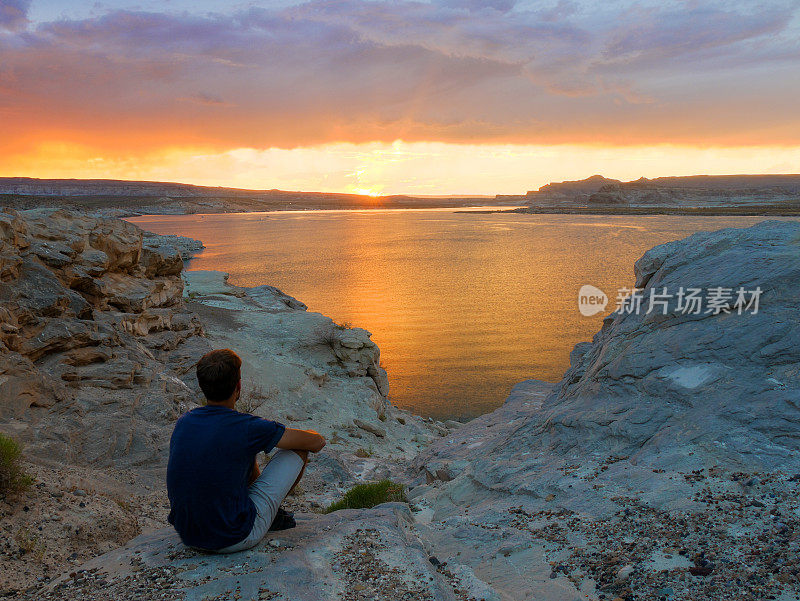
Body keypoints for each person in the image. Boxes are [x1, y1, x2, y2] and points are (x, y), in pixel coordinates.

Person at [166, 348, 325, 553]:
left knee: (242, 451)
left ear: (202, 386)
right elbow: (316, 443)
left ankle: (262, 514)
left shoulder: (184, 422)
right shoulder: (247, 426)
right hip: (235, 536)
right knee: (298, 451)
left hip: (189, 536)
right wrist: (311, 432)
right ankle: (271, 518)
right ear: (238, 386)